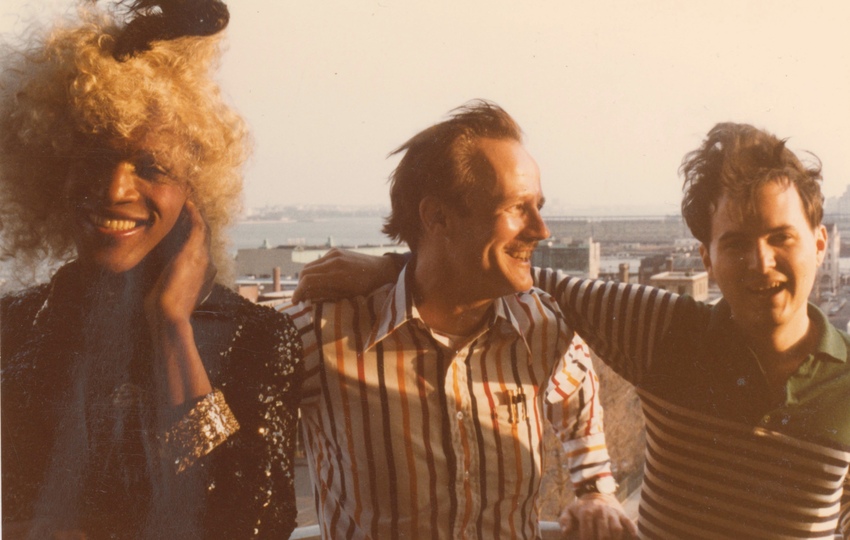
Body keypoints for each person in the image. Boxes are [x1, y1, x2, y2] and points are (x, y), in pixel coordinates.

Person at [299, 122, 850, 539]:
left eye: (782, 237)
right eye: (735, 243)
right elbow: (517, 273)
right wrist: (401, 268)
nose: (761, 262)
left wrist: (596, 490)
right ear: (706, 256)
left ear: (821, 242)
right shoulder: (664, 331)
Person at [0, 1, 301, 538]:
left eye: (150, 167)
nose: (115, 191)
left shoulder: (255, 337)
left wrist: (171, 327)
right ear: (53, 168)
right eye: (94, 158)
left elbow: (253, 524)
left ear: (196, 188)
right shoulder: (14, 326)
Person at [284, 100, 636, 539]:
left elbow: (579, 395)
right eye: (517, 207)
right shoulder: (322, 332)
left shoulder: (545, 329)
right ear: (437, 217)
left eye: (538, 205)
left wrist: (595, 490)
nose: (542, 230)